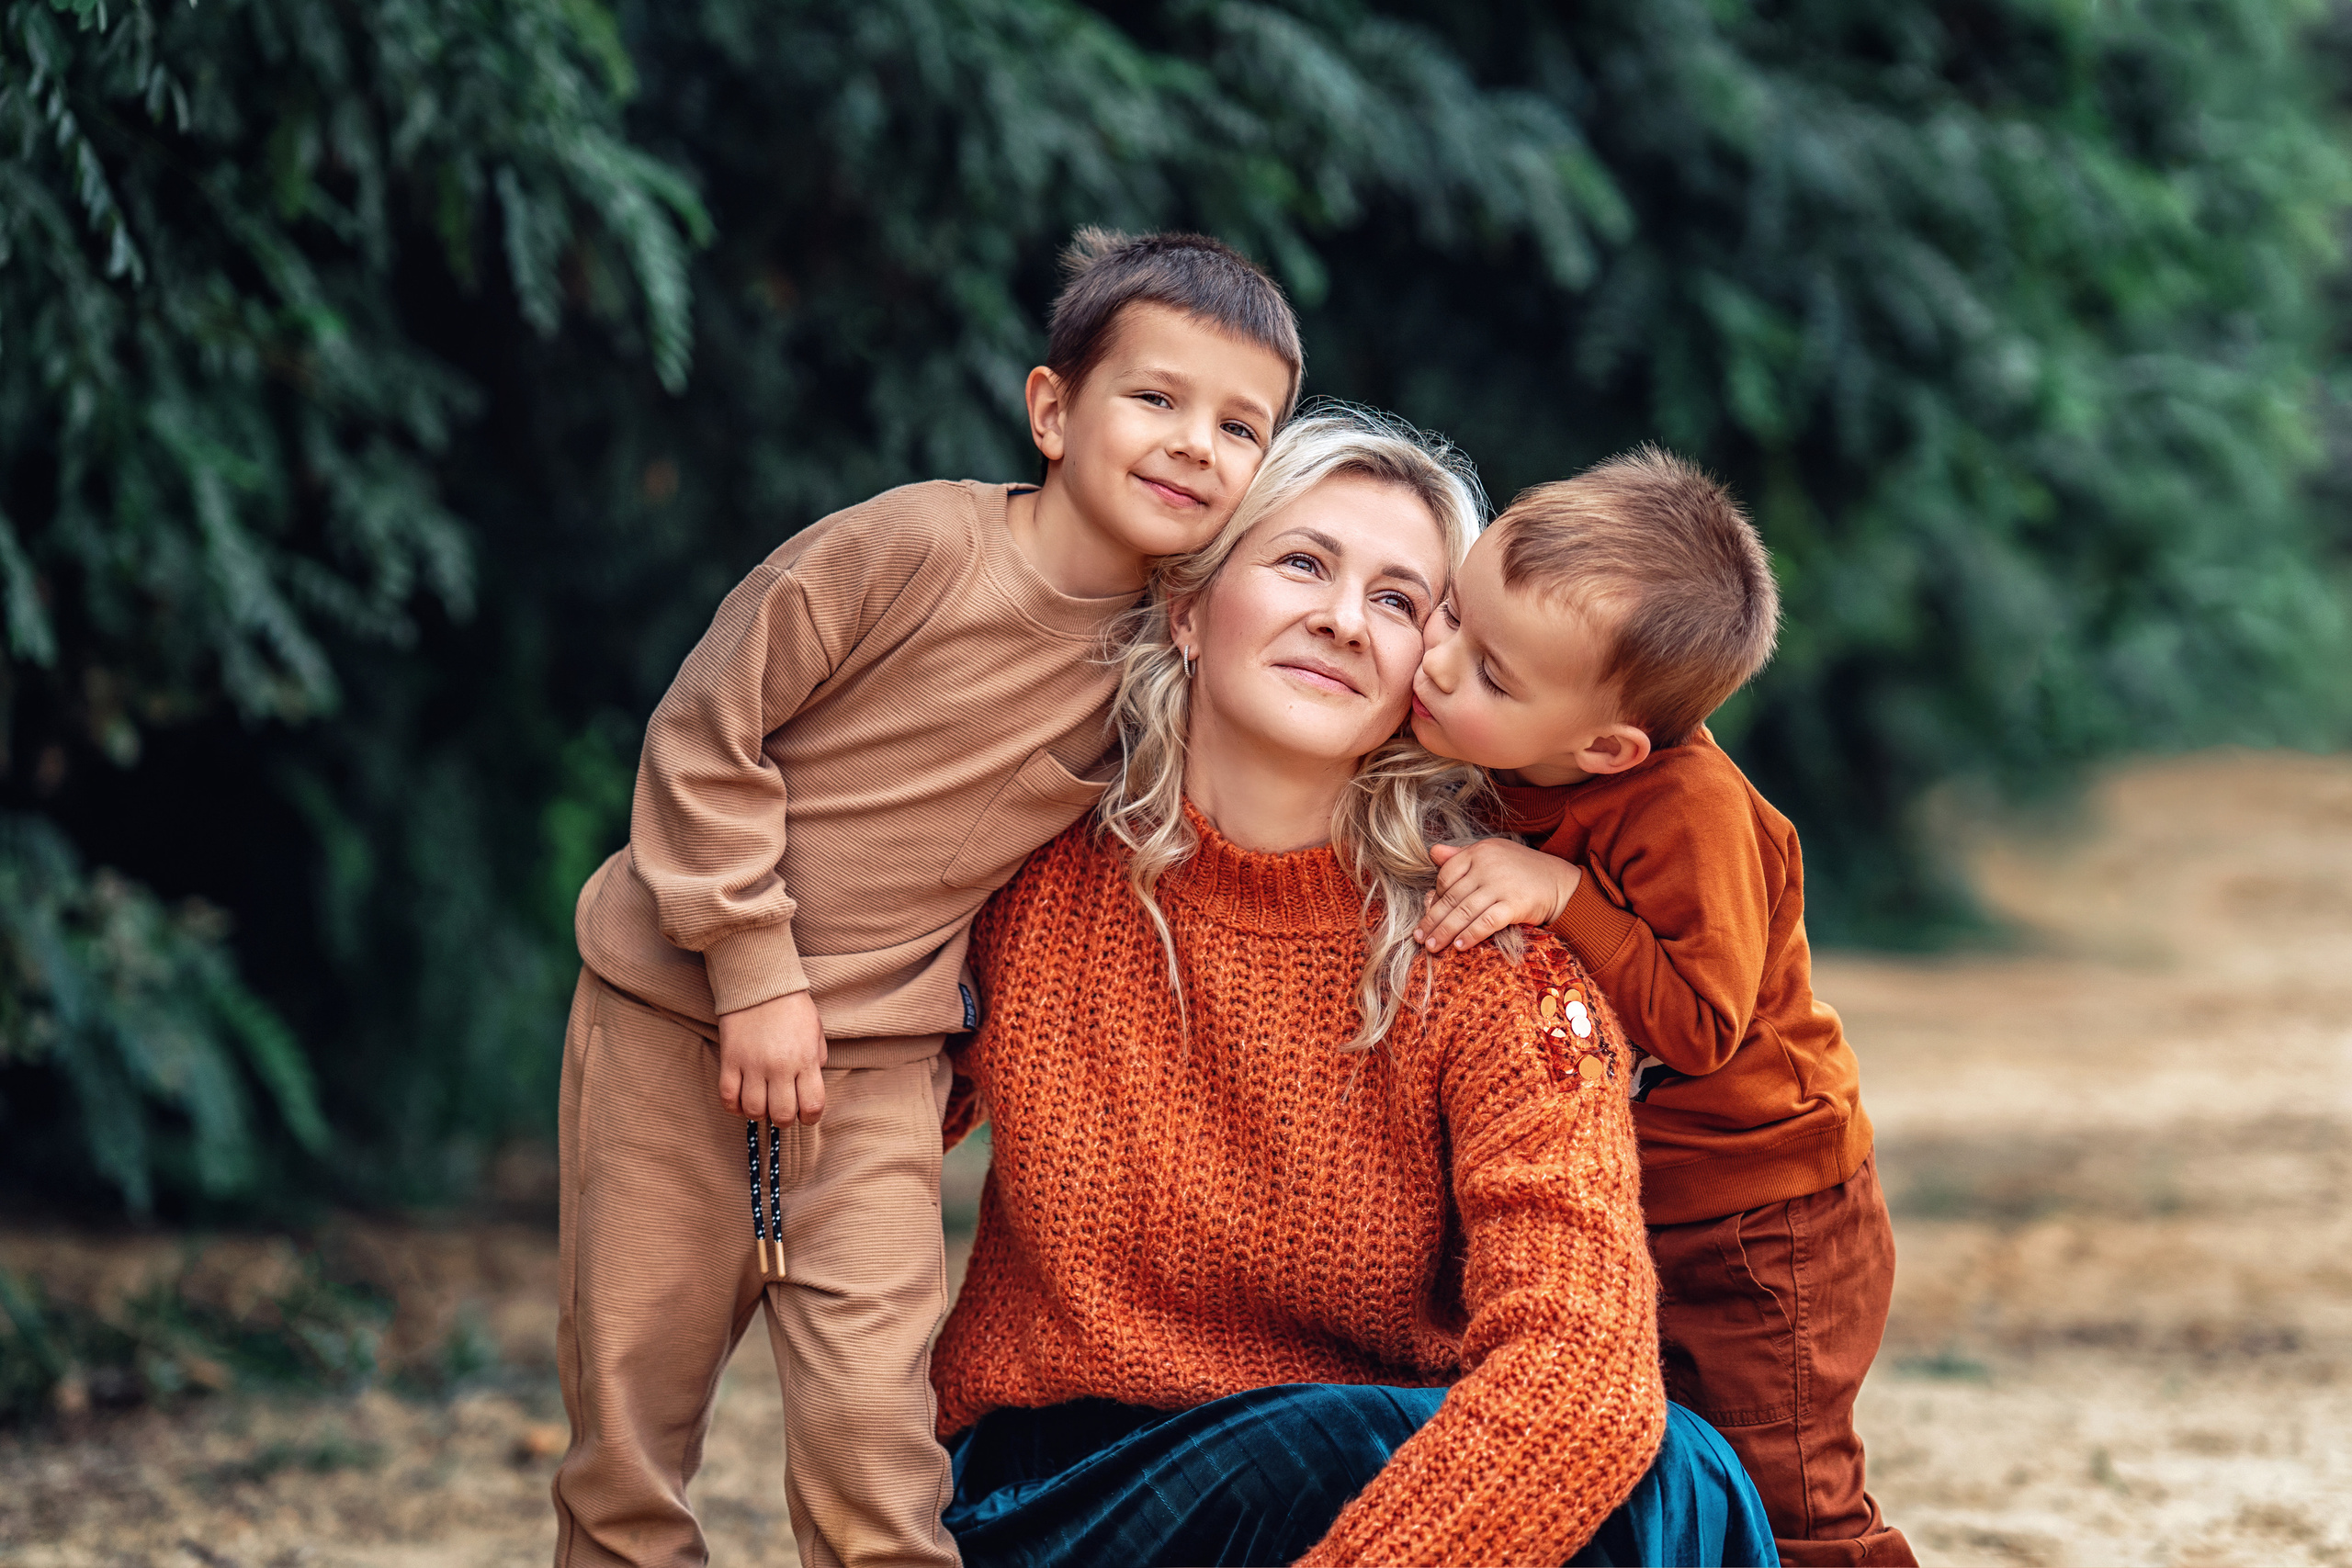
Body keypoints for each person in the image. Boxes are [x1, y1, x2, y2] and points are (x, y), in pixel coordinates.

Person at [551, 230, 1301, 1568]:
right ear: (1052, 411)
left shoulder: (1166, 659)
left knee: (878, 1450)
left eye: (1241, 427)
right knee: (631, 1430)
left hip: (876, 1077)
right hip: (674, 1019)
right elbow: (706, 732)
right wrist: (754, 969)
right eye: (1157, 398)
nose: (1196, 444)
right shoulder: (911, 547)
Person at [931, 408, 1778, 1567]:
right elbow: (841, 1135)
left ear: (1434, 677)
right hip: (1064, 1492)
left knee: (1678, 1472)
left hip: (1381, 1494)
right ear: (1188, 608)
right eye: (1302, 563)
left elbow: (1582, 1359)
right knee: (1363, 1448)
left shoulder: (1491, 957)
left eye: (1397, 600)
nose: (1341, 619)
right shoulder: (1023, 876)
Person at [1405, 447, 1912, 1566]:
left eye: (1490, 674)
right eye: (1449, 614)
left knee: (1785, 1497)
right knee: (1634, 1473)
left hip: (1763, 1218)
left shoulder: (1689, 811)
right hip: (1636, 1202)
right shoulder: (1500, 744)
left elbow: (1697, 1024)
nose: (1436, 664)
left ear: (1607, 747)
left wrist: (1564, 895)